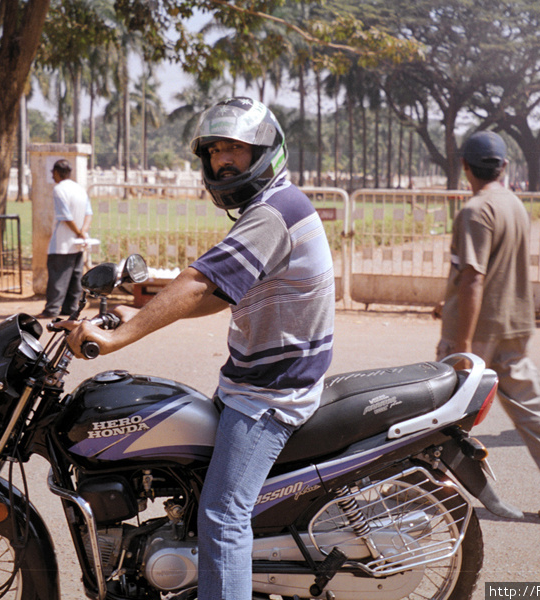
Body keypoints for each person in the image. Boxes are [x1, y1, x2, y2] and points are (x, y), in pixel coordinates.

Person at [59, 97, 335, 599]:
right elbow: (221, 290)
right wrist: (132, 315)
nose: (223, 160)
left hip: (270, 397)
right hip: (254, 383)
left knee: (222, 515)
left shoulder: (274, 213)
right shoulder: (270, 207)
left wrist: (120, 337)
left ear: (265, 153)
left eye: (236, 149)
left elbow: (198, 282)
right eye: (215, 150)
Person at [434, 131, 540, 520]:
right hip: (516, 322)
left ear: (464, 166)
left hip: (479, 329)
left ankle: (427, 492)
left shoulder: (475, 211)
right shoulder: (514, 205)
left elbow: (474, 277)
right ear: (504, 166)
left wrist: (463, 345)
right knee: (533, 410)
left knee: (442, 411)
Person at [38, 159, 93, 319]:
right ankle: (70, 307)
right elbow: (89, 213)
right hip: (79, 243)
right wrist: (83, 231)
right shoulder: (80, 189)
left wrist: (77, 232)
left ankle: (52, 309)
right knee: (75, 276)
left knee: (58, 276)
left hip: (63, 241)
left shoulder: (59, 189)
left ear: (56, 172)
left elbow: (65, 216)